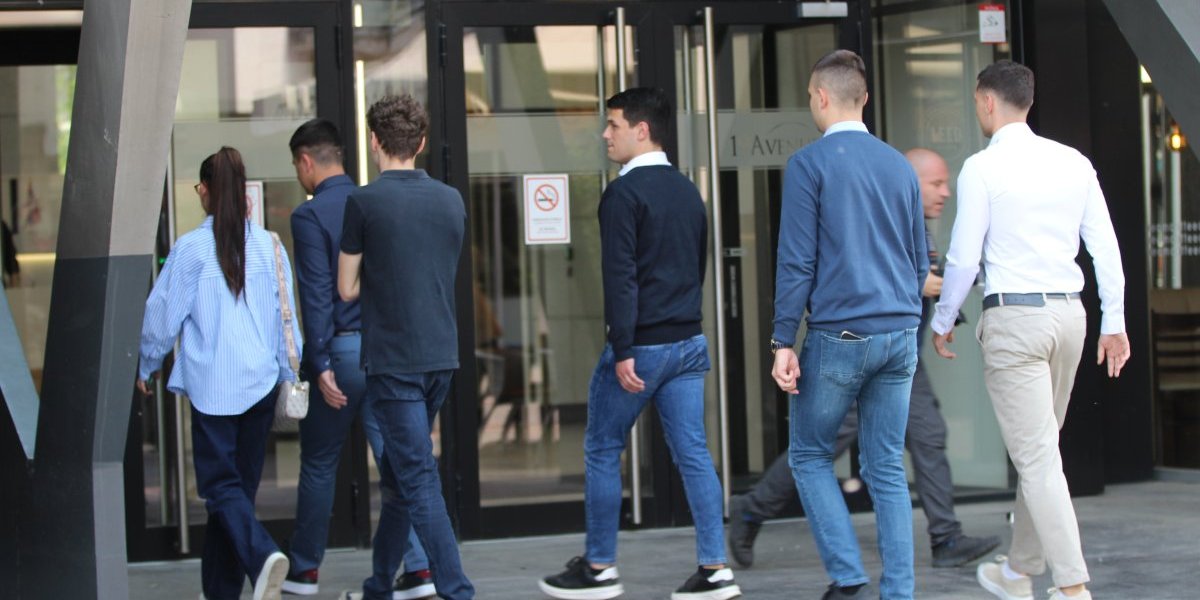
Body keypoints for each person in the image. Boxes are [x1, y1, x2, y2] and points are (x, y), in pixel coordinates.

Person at [728, 148, 1000, 570]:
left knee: (926, 435)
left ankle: (945, 537)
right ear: (910, 182)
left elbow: (926, 277)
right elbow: (903, 276)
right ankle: (753, 510)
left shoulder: (913, 222)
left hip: (898, 356)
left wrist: (951, 300)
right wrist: (956, 280)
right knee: (822, 448)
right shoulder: (883, 213)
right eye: (935, 183)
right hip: (862, 350)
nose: (945, 192)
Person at [931, 60, 1130, 600]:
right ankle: (1019, 572)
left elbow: (964, 258)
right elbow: (1105, 247)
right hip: (1070, 318)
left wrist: (943, 320)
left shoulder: (981, 168)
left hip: (1015, 320)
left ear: (987, 101)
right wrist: (1114, 321)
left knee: (1038, 457)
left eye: (976, 101)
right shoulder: (1074, 162)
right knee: (1042, 452)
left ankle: (1072, 587)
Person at [538, 87, 741, 600]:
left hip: (643, 347)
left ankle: (599, 567)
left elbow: (620, 278)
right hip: (688, 341)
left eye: (613, 125)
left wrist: (624, 347)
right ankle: (716, 570)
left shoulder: (623, 195)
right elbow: (697, 267)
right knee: (694, 453)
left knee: (603, 447)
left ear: (642, 130)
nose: (605, 135)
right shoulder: (689, 191)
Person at [769, 50, 925, 600]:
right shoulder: (899, 165)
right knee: (886, 468)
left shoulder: (809, 164)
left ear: (819, 97)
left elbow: (797, 261)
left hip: (841, 334)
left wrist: (782, 338)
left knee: (811, 455)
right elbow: (919, 259)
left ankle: (849, 578)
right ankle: (899, 592)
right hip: (900, 333)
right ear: (865, 98)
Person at [282, 118, 435, 599]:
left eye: (297, 166)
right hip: (386, 352)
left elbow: (316, 293)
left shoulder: (310, 216)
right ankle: (420, 568)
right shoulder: (374, 202)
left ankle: (304, 572)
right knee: (396, 462)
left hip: (341, 352)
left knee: (319, 463)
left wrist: (320, 362)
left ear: (306, 161)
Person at [137, 147, 299, 600]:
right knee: (234, 497)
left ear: (206, 191)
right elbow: (287, 319)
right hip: (261, 384)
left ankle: (262, 555)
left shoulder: (190, 249)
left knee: (220, 490)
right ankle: (220, 592)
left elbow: (160, 318)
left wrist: (147, 363)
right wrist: (288, 372)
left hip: (214, 389)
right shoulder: (269, 246)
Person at [336, 94, 474, 600]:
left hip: (393, 361)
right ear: (420, 143)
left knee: (417, 478)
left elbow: (346, 288)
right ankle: (378, 586)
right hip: (441, 355)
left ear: (374, 141)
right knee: (399, 479)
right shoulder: (451, 200)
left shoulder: (363, 202)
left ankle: (457, 591)